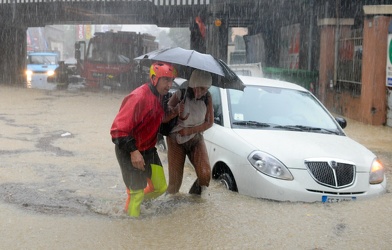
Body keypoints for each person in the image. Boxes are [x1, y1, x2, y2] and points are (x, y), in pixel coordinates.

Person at [110, 62, 177, 217]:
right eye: (166, 80)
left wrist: (173, 114)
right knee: (137, 193)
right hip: (128, 149)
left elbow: (158, 123)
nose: (169, 84)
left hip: (148, 149)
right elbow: (117, 131)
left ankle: (134, 207)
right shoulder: (138, 97)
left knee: (160, 187)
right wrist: (134, 152)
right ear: (154, 78)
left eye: (171, 80)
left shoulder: (162, 97)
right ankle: (132, 227)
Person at [164, 69, 214, 195]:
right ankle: (166, 207)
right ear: (192, 85)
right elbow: (165, 114)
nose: (201, 92)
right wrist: (175, 110)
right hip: (175, 139)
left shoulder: (207, 97)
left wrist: (189, 131)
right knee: (175, 184)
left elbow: (209, 122)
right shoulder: (180, 94)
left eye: (205, 89)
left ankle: (194, 200)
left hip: (195, 137)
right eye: (199, 88)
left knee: (205, 175)